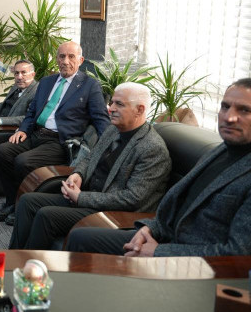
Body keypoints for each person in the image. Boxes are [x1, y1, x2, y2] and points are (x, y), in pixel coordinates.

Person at [67, 79, 251, 257]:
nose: (229, 117)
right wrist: (150, 228)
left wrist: (158, 252)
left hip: (190, 261)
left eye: (244, 110)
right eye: (225, 107)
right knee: (80, 237)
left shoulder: (152, 147)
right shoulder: (220, 151)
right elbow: (176, 205)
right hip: (162, 236)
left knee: (77, 236)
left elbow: (237, 254)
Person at [9, 82, 171, 249]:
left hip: (113, 212)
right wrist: (78, 174)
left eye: (119, 104)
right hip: (89, 196)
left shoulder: (152, 148)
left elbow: (132, 199)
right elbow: (90, 158)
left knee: (46, 215)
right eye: (112, 102)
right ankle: (13, 256)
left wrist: (81, 198)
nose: (111, 108)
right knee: (28, 201)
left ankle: (29, 263)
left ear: (140, 110)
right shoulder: (112, 129)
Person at [0, 41, 110, 225]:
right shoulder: (46, 82)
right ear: (57, 59)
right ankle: (11, 202)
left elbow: (101, 119)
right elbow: (32, 111)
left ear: (81, 60)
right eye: (62, 56)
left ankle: (20, 207)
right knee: (2, 151)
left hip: (60, 141)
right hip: (35, 133)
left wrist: (110, 145)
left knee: (23, 162)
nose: (66, 61)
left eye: (71, 56)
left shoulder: (90, 85)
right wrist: (23, 129)